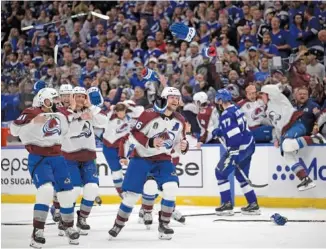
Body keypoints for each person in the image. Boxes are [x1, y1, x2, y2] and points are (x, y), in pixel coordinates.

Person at [108, 86, 189, 240]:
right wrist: (150, 142)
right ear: (164, 99)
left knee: (171, 187)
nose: (175, 100)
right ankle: (118, 224)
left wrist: (183, 147)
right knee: (131, 196)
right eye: (171, 97)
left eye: (177, 97)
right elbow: (133, 134)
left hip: (163, 159)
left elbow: (178, 144)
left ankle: (164, 225)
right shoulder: (149, 114)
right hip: (141, 158)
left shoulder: (180, 120)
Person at [9, 88, 80, 248]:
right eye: (52, 99)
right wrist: (33, 121)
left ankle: (68, 226)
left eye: (56, 100)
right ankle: (37, 231)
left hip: (58, 157)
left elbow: (68, 126)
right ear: (42, 100)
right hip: (39, 158)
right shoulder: (31, 112)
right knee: (46, 190)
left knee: (67, 193)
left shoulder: (60, 113)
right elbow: (14, 129)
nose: (56, 102)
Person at [59, 86, 107, 236]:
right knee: (74, 190)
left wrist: (91, 108)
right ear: (72, 98)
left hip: (88, 157)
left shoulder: (89, 111)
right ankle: (65, 220)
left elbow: (104, 122)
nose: (80, 99)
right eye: (77, 96)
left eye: (83, 96)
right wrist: (75, 113)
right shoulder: (62, 112)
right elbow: (66, 130)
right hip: (69, 157)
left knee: (92, 188)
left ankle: (83, 219)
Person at [258, 84, 321, 191]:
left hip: (295, 124)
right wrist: (278, 139)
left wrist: (267, 87)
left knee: (286, 145)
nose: (261, 97)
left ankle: (315, 139)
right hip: (285, 131)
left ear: (268, 94)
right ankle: (305, 179)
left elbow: (275, 90)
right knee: (287, 155)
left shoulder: (277, 99)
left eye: (262, 94)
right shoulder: (268, 109)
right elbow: (277, 126)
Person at [213, 89, 260, 216]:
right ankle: (253, 204)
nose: (217, 102)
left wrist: (233, 153)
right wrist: (221, 132)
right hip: (249, 145)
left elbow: (235, 136)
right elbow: (237, 128)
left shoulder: (226, 114)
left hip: (239, 148)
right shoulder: (236, 109)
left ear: (221, 100)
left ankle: (227, 204)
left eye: (218, 100)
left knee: (220, 173)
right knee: (240, 175)